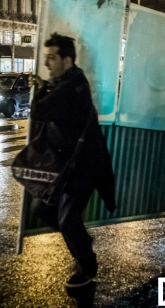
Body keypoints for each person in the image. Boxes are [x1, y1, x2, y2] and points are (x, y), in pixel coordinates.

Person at [29, 33, 116, 288]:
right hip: (66, 165)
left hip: (84, 166)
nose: (47, 64)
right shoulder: (64, 81)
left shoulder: (73, 85)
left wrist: (39, 88)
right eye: (46, 58)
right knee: (42, 209)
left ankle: (87, 266)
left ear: (67, 60)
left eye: (52, 58)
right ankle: (81, 242)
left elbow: (40, 111)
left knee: (67, 219)